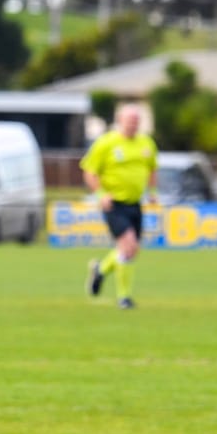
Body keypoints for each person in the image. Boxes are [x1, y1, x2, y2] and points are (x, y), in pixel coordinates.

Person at [81, 104, 158, 309]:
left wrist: (152, 192)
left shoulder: (146, 143)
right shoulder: (106, 143)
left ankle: (101, 269)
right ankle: (124, 297)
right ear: (119, 121)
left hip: (135, 203)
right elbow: (89, 172)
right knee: (128, 244)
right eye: (130, 120)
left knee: (132, 251)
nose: (134, 124)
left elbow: (152, 169)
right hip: (113, 203)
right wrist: (100, 194)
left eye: (136, 121)